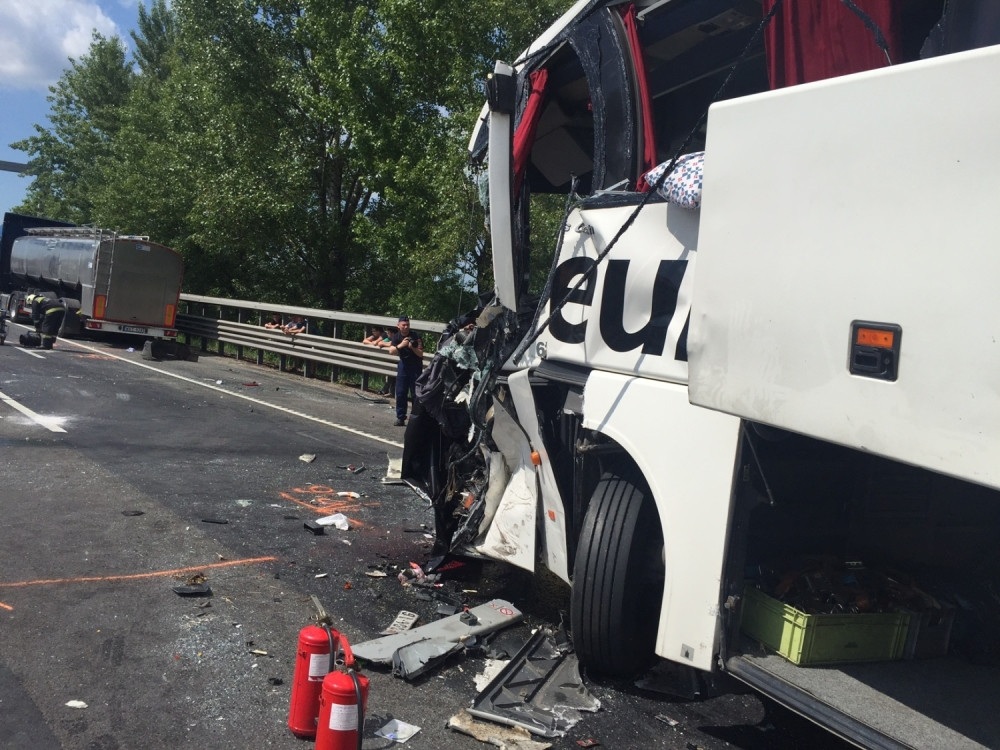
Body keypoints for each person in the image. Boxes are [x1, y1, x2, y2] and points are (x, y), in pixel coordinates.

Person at [387, 315, 423, 426]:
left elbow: (421, 354)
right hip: (403, 366)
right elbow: (391, 351)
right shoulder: (397, 337)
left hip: (415, 367)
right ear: (398, 326)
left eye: (407, 325)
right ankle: (400, 417)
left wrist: (413, 347)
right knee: (401, 393)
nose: (406, 327)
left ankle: (415, 418)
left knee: (415, 395)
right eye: (403, 325)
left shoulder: (416, 336)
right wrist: (401, 345)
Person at [362, 325, 394, 395]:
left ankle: (387, 391)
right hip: (389, 360)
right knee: (390, 376)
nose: (373, 332)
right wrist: (372, 343)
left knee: (391, 376)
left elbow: (378, 343)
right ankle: (386, 391)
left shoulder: (384, 335)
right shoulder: (376, 336)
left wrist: (376, 343)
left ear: (379, 331)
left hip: (395, 361)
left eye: (374, 331)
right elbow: (365, 341)